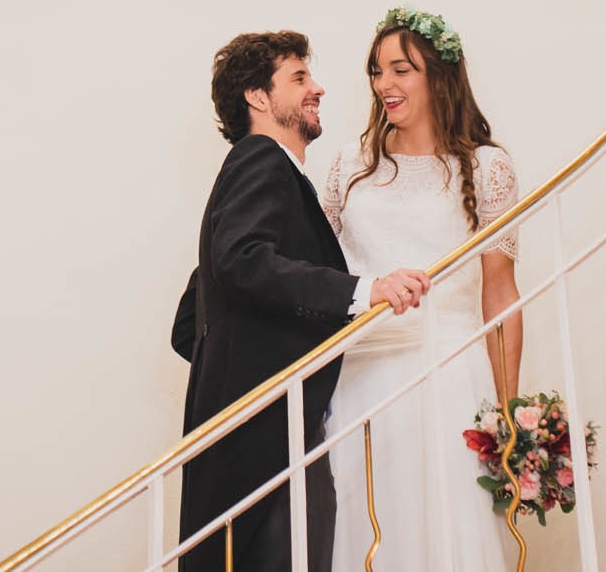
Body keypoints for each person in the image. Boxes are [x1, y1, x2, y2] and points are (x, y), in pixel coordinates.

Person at [172, 30, 431, 572]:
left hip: (266, 435)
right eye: (299, 77)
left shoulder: (269, 176)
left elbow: (192, 317)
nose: (318, 87)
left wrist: (238, 354)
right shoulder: (260, 158)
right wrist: (365, 290)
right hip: (266, 443)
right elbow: (242, 260)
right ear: (258, 98)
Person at [319, 8, 525, 572]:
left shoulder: (487, 169)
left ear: (438, 75)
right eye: (376, 71)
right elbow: (320, 274)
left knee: (446, 534)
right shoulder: (348, 166)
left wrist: (509, 411)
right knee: (366, 536)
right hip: (360, 378)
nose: (384, 84)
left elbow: (500, 295)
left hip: (449, 376)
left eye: (400, 70)